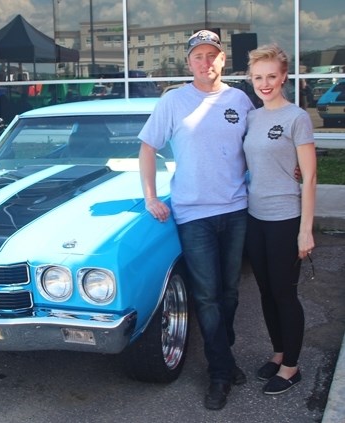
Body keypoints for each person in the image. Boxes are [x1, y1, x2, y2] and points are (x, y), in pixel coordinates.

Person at [138, 29, 254, 410]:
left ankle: (225, 355)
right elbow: (148, 148)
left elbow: (258, 149)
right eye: (198, 56)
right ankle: (220, 372)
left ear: (223, 60)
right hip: (194, 215)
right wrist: (151, 196)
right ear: (189, 63)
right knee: (206, 294)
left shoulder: (239, 99)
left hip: (236, 209)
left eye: (212, 55)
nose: (206, 62)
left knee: (230, 293)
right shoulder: (173, 101)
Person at [244, 44, 316, 395]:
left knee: (284, 294)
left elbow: (311, 178)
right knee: (265, 292)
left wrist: (305, 230)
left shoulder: (296, 118)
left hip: (286, 218)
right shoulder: (252, 117)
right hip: (254, 217)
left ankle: (292, 368)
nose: (265, 83)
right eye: (258, 77)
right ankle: (278, 352)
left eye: (271, 76)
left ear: (284, 76)